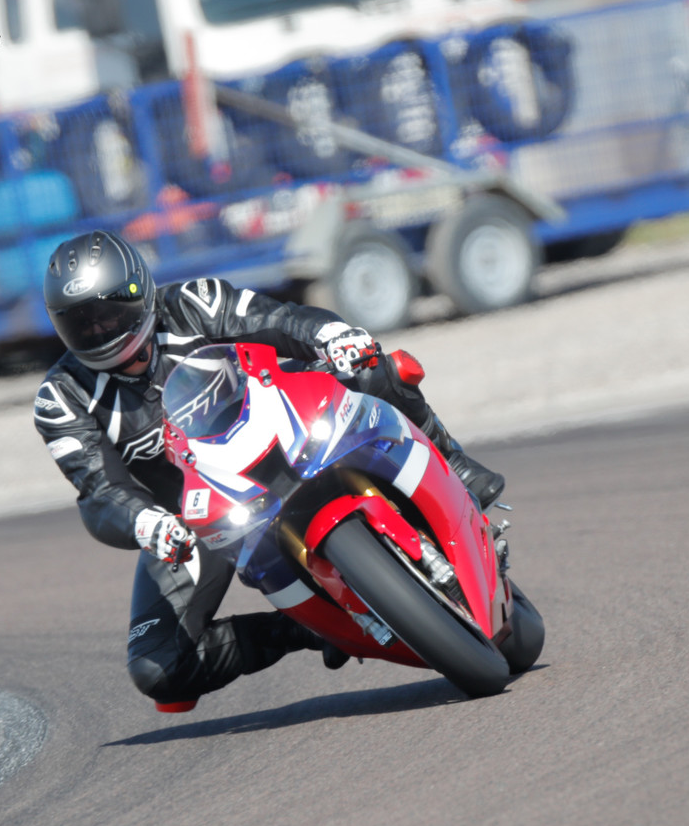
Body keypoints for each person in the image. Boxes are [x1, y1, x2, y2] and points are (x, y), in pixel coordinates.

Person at [34, 230, 504, 710]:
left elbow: (280, 320)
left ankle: (456, 465)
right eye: (83, 324)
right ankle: (312, 627)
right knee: (158, 668)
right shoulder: (62, 397)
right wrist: (145, 523)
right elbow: (98, 491)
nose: (101, 330)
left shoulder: (193, 303)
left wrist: (331, 336)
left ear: (140, 293)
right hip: (201, 516)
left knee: (371, 366)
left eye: (111, 313)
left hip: (291, 425)